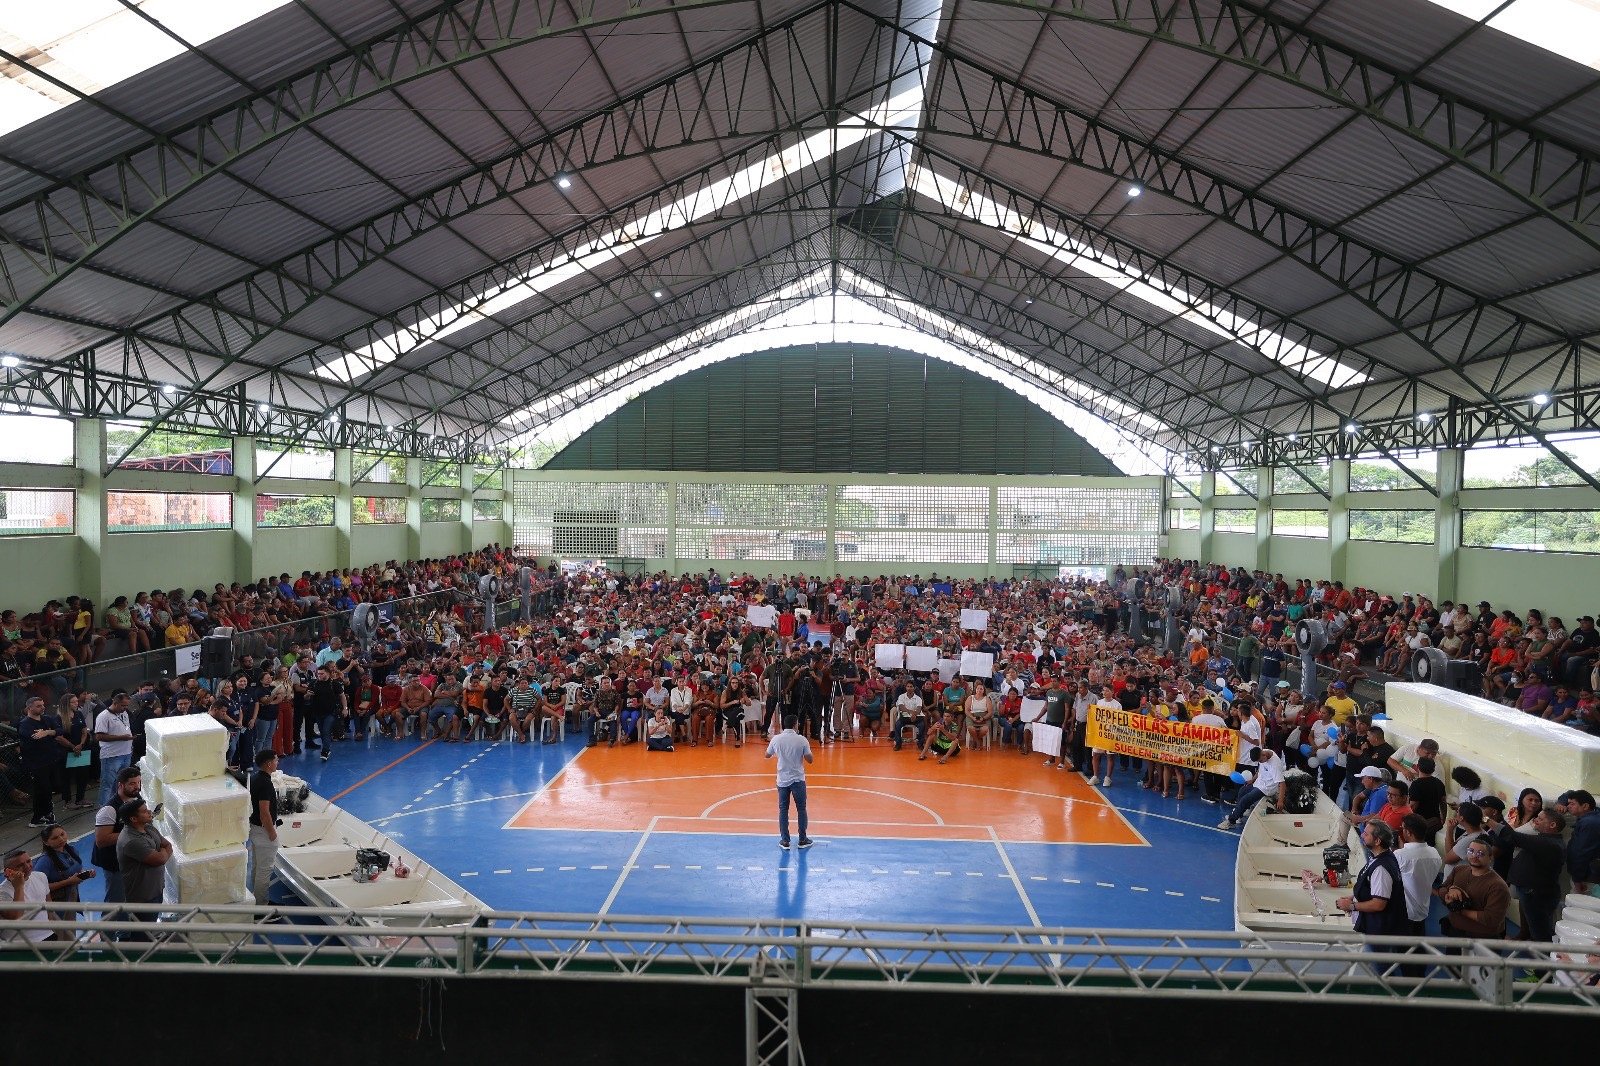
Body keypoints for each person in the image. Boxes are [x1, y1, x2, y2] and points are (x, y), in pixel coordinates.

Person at [1498, 808, 1567, 943]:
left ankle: (1541, 955)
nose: (1535, 820)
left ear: (1552, 825)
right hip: (1531, 891)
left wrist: (1487, 819)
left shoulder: (1548, 844)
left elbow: (1513, 837)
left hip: (1535, 894)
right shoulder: (1545, 840)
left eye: (1540, 818)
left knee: (1540, 933)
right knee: (1536, 926)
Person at [116, 798, 173, 939]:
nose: (149, 812)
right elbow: (160, 859)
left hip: (155, 889)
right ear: (133, 819)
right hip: (143, 897)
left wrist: (162, 852)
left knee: (149, 928)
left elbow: (168, 845)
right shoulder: (131, 841)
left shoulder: (148, 827)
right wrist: (162, 853)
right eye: (144, 811)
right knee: (141, 936)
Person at [1436, 834, 1511, 940]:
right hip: (1455, 931)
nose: (1474, 856)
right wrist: (1451, 890)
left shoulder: (1498, 886)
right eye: (1471, 851)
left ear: (1490, 858)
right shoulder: (1458, 870)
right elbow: (1441, 889)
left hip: (1482, 938)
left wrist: (1458, 909)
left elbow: (1491, 919)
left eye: (1480, 853)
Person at [92, 766, 142, 912]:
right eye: (132, 784)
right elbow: (101, 840)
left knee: (131, 900)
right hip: (114, 863)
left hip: (131, 859)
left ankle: (126, 927)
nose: (137, 787)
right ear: (120, 785)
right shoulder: (109, 810)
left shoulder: (137, 800)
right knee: (116, 903)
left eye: (138, 782)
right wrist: (133, 831)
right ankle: (109, 927)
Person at [765, 715, 813, 850]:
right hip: (798, 779)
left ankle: (785, 840)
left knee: (783, 810)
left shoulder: (776, 739)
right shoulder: (802, 740)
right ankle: (802, 839)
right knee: (801, 809)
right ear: (795, 725)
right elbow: (810, 759)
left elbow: (767, 755)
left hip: (782, 780)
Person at [17, 696, 67, 828]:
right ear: (30, 708)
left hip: (51, 760)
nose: (42, 707)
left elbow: (60, 730)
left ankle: (47, 813)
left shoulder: (47, 719)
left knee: (52, 788)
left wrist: (47, 732)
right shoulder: (25, 723)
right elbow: (32, 736)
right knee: (42, 790)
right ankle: (39, 817)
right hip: (37, 764)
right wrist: (47, 734)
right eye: (38, 706)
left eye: (43, 705)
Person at [1393, 814, 1443, 937]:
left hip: (1404, 911)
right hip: (1423, 909)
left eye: (1403, 828)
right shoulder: (1434, 853)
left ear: (1408, 832)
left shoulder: (1399, 855)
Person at [1218, 746, 1286, 831]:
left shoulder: (1275, 764)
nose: (1260, 762)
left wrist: (1280, 801)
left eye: (1260, 760)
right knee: (1242, 790)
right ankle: (1239, 814)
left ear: (1264, 755)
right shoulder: (1263, 753)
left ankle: (1231, 821)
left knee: (1246, 799)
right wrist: (1252, 780)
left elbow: (1282, 783)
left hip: (1267, 788)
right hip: (1259, 783)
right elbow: (1259, 770)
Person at [37, 824, 94, 923]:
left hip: (71, 897)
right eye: (55, 838)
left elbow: (76, 869)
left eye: (62, 834)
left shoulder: (72, 850)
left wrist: (83, 874)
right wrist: (68, 882)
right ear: (46, 842)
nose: (61, 839)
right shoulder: (44, 861)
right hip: (56, 904)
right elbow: (38, 888)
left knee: (70, 927)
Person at [1, 847, 56, 943]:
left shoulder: (40, 876)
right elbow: (16, 917)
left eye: (28, 861)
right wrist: (19, 887)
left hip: (48, 935)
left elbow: (48, 903)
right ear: (8, 871)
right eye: (20, 865)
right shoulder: (2, 891)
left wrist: (52, 927)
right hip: (20, 943)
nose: (27, 866)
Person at [248, 749, 281, 908]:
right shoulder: (266, 784)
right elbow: (264, 813)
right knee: (265, 870)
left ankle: (256, 900)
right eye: (275, 760)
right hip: (263, 832)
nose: (277, 763)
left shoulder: (255, 778)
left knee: (256, 866)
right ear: (268, 764)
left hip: (254, 828)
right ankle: (261, 906)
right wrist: (272, 833)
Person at [93, 689, 135, 808]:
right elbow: (99, 736)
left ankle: (116, 806)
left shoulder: (124, 713)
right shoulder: (103, 716)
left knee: (121, 783)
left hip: (126, 753)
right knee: (108, 784)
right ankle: (104, 809)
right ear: (115, 703)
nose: (125, 708)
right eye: (123, 705)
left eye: (126, 706)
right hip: (112, 755)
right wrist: (121, 737)